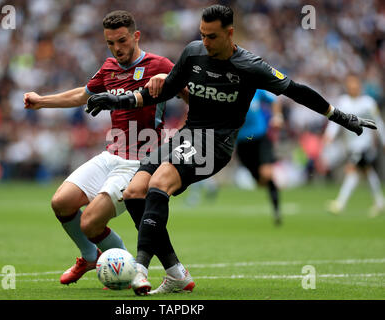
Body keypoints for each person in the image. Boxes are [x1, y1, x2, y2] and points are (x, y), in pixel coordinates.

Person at [85, 5, 377, 296]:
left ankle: (140, 268)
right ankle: (175, 273)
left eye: (212, 36)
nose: (206, 42)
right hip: (187, 135)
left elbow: (296, 90)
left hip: (216, 144)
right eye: (202, 35)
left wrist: (340, 116)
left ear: (230, 33)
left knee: (160, 182)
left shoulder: (251, 66)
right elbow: (164, 89)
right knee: (135, 191)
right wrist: (116, 101)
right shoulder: (193, 53)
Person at [23, 11, 192, 287]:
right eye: (110, 43)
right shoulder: (109, 67)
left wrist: (197, 127)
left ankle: (127, 268)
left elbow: (189, 92)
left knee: (90, 223)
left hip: (139, 162)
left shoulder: (158, 64)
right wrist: (42, 101)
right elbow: (82, 94)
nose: (117, 48)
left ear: (136, 36)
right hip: (110, 155)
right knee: (61, 202)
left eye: (122, 40)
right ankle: (90, 256)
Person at [323, 74, 385, 217]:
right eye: (350, 84)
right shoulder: (344, 102)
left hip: (365, 145)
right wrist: (329, 135)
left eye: (355, 84)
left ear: (359, 86)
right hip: (351, 145)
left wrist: (383, 141)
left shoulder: (368, 103)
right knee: (367, 172)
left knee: (352, 170)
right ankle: (380, 202)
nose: (353, 87)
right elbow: (335, 119)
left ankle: (340, 203)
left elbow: (379, 123)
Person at [235, 89, 284, 225]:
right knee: (261, 182)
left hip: (260, 138)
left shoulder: (256, 89)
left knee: (266, 174)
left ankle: (277, 211)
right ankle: (275, 204)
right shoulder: (227, 90)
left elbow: (274, 99)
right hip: (243, 144)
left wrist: (277, 116)